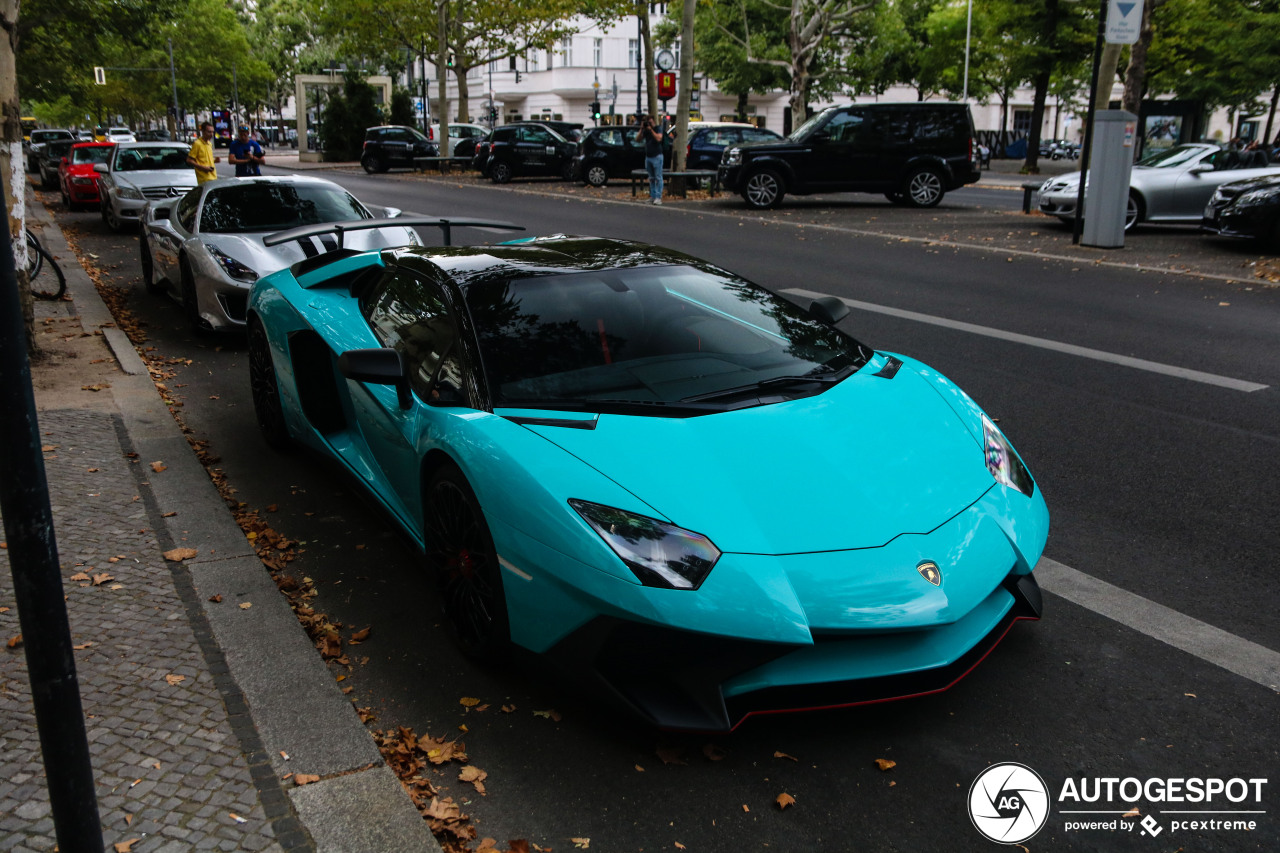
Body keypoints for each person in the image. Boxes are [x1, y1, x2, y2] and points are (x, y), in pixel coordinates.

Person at [635, 115, 664, 205]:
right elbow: (637, 139)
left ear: (653, 121)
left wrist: (651, 129)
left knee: (658, 177)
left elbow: (659, 138)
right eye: (647, 122)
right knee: (651, 178)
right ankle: (653, 196)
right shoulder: (645, 131)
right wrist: (641, 128)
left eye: (650, 122)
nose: (649, 124)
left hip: (657, 156)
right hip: (648, 156)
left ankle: (658, 197)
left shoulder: (658, 128)